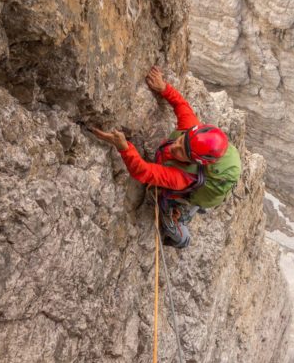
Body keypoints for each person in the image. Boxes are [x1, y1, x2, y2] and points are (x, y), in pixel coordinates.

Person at [91, 66, 241, 248]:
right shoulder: (191, 131)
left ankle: (181, 237)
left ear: (195, 161)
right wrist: (163, 88)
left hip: (189, 189)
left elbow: (143, 172)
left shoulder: (181, 177)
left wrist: (124, 147)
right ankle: (189, 205)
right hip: (198, 184)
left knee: (166, 208)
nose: (175, 145)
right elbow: (181, 106)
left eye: (181, 152)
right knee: (189, 192)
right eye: (181, 140)